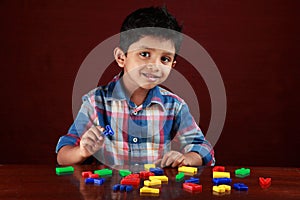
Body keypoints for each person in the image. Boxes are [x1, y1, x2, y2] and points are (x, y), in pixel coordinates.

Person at [56, 6, 215, 167]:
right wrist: (81, 152)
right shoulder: (95, 103)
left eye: (164, 59)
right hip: (108, 191)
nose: (155, 65)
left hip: (155, 190)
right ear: (121, 57)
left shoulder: (174, 106)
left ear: (172, 65)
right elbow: (63, 154)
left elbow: (204, 148)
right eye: (145, 54)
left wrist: (186, 158)